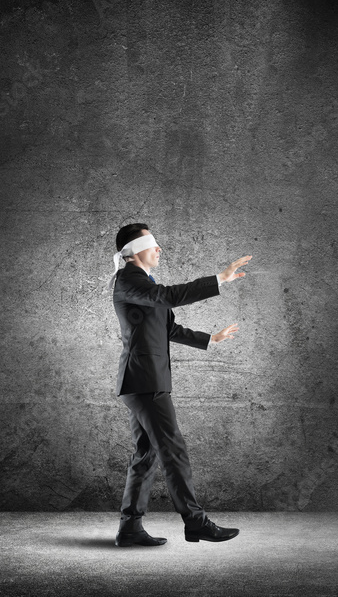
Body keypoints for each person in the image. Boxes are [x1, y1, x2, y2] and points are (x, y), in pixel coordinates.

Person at [109, 222, 252, 546]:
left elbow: (169, 326)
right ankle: (195, 521)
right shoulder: (129, 281)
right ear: (133, 252)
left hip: (142, 380)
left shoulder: (143, 285)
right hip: (145, 380)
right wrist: (219, 279)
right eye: (153, 243)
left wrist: (209, 339)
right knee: (173, 448)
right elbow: (169, 297)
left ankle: (130, 528)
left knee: (146, 453)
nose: (159, 249)